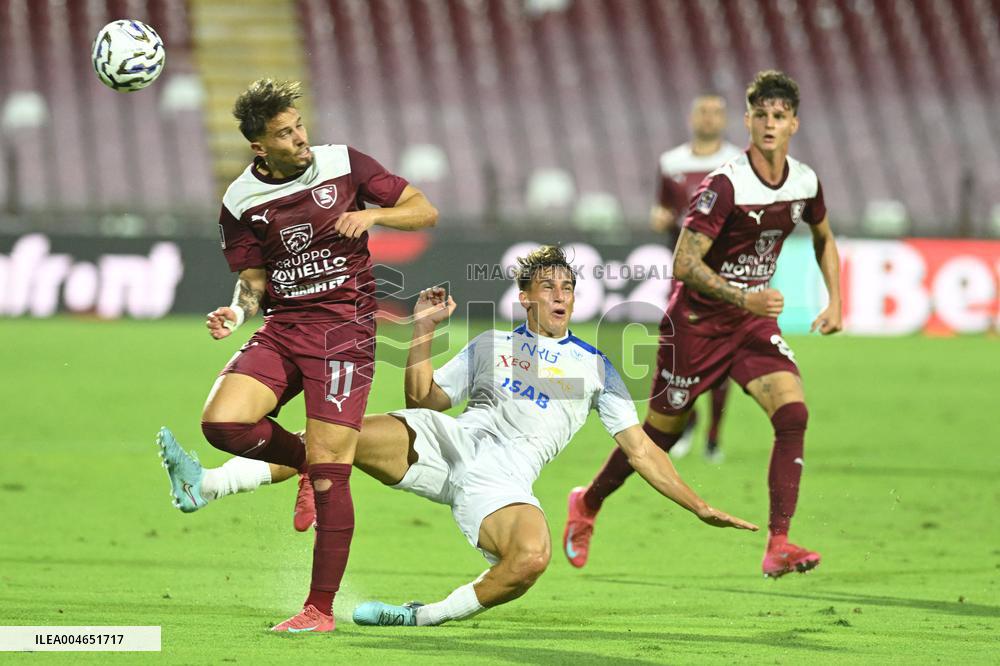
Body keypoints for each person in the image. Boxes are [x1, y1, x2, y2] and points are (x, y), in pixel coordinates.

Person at [154, 78, 439, 632]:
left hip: (343, 332)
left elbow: (423, 209)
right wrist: (236, 313)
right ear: (259, 146)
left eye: (299, 126)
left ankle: (319, 610)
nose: (299, 138)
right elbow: (253, 281)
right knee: (222, 423)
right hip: (284, 325)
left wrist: (374, 216)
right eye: (284, 134)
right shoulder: (240, 200)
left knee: (334, 477)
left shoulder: (343, 164)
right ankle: (304, 461)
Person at [346, 245, 757, 627]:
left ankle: (419, 617)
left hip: (504, 481)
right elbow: (423, 401)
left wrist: (699, 506)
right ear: (524, 297)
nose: (561, 296)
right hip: (452, 444)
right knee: (332, 435)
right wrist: (423, 329)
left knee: (531, 558)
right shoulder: (491, 344)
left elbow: (641, 450)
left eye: (568, 288)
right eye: (548, 287)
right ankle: (305, 545)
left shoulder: (596, 368)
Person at [564, 70, 842, 578]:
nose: (769, 124)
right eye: (760, 115)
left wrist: (836, 301)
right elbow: (683, 264)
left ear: (794, 124)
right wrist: (744, 296)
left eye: (779, 116)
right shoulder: (725, 184)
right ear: (748, 120)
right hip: (694, 326)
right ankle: (587, 503)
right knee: (658, 439)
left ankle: (778, 542)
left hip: (750, 327)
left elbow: (824, 235)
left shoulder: (805, 181)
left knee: (793, 414)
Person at [652, 94, 742, 463]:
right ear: (692, 117)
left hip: (725, 275)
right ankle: (688, 422)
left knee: (722, 358)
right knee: (680, 353)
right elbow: (663, 207)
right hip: (683, 275)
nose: (709, 117)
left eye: (716, 111)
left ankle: (713, 438)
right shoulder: (671, 161)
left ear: (725, 118)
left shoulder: (738, 162)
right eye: (703, 111)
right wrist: (658, 216)